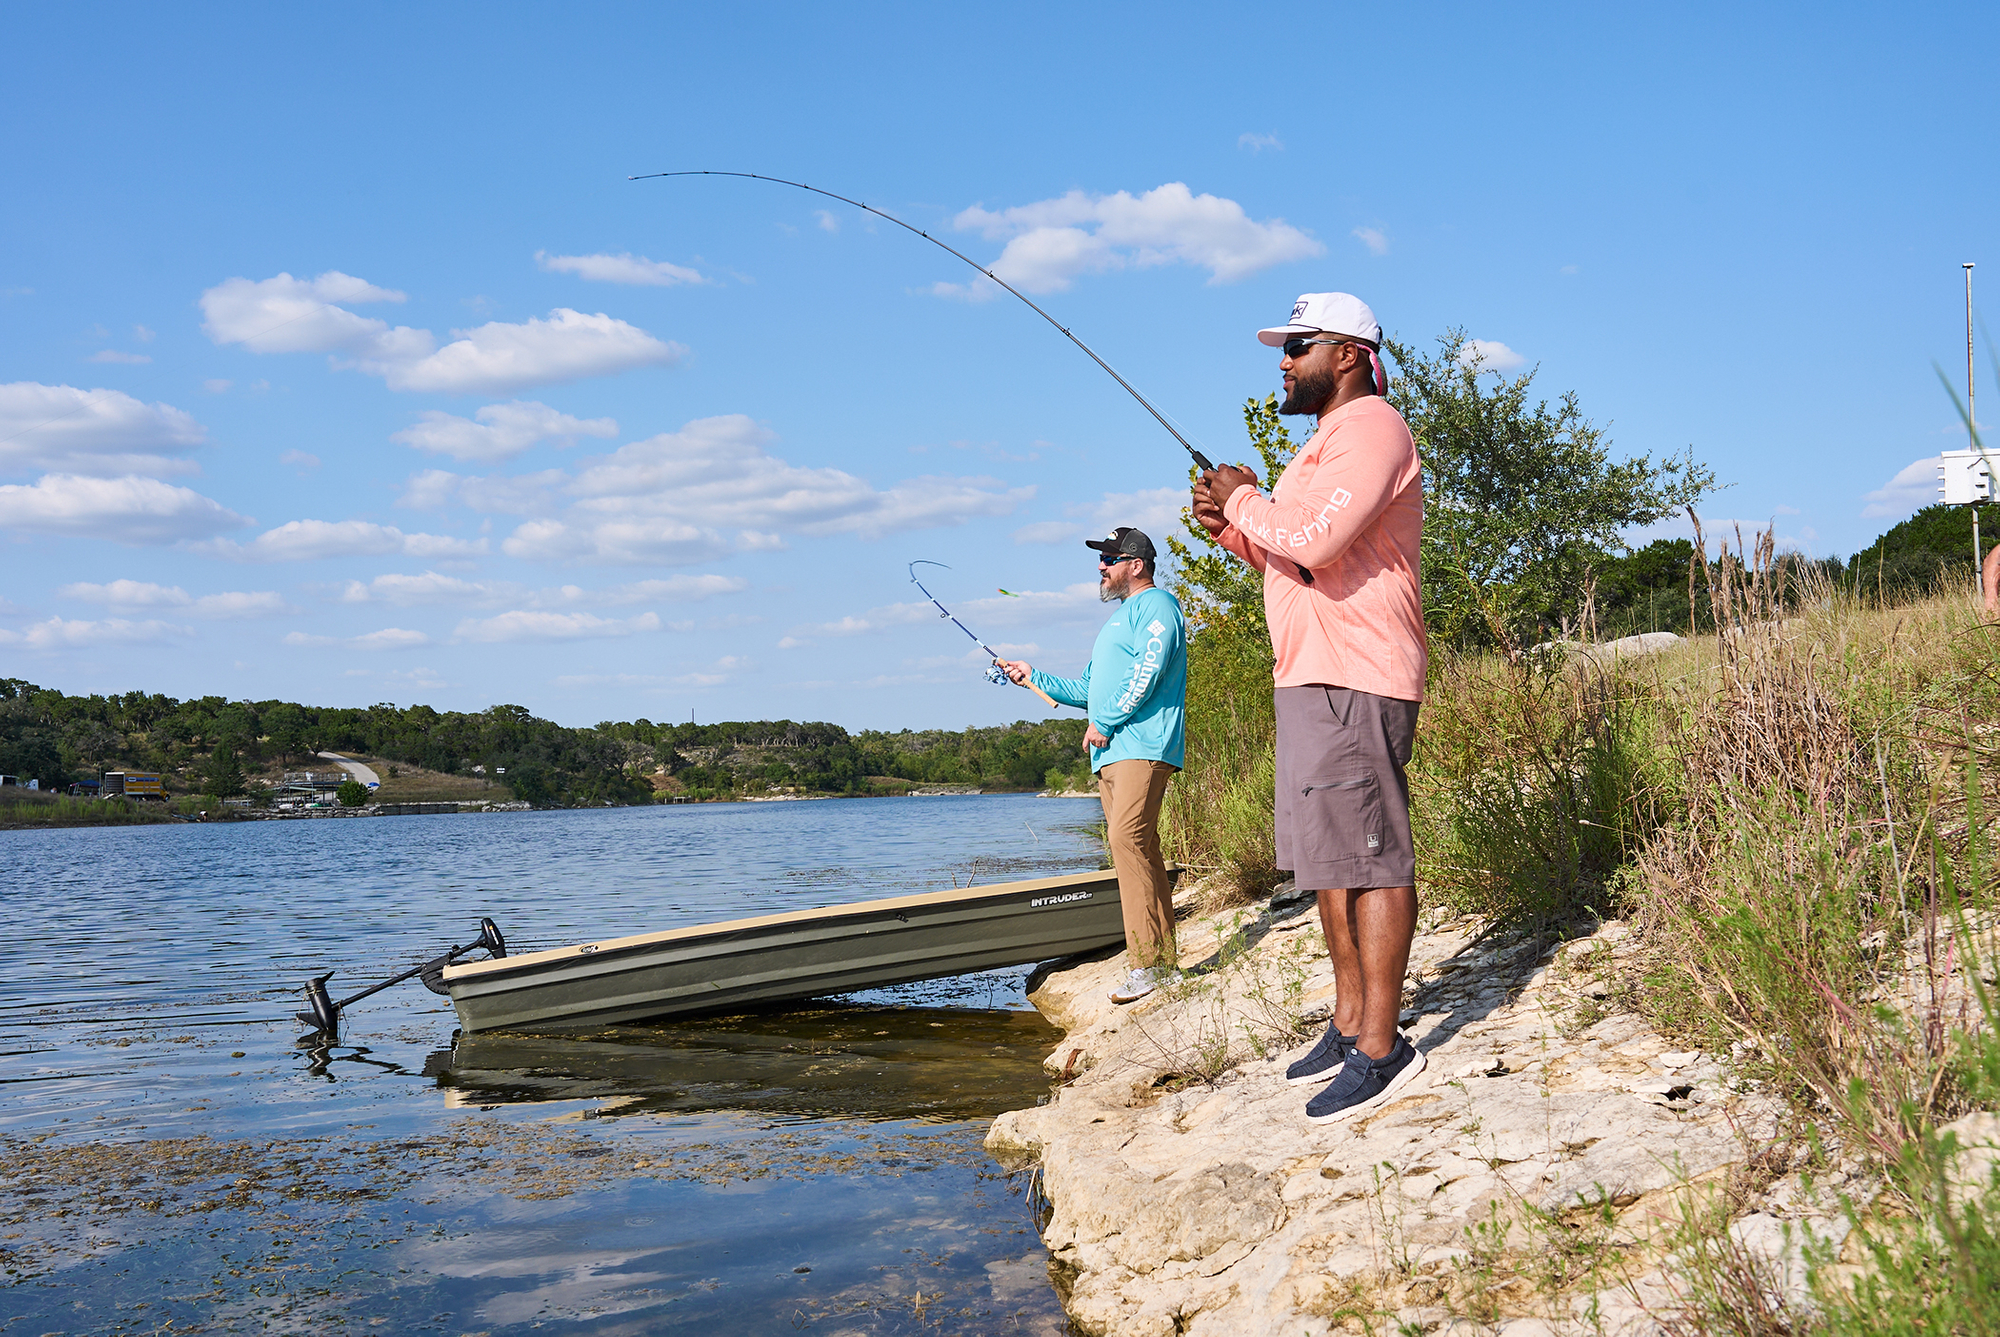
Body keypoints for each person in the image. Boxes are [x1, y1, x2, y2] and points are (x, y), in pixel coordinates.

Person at [1189, 291, 1429, 1124]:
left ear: (1351, 353)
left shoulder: (1373, 430)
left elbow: (1318, 539)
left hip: (1357, 672)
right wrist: (1232, 524)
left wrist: (1248, 498)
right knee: (1331, 860)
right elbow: (1293, 554)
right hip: (1311, 673)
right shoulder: (1321, 447)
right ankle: (1348, 1016)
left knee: (1371, 856)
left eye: (1299, 344)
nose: (1283, 360)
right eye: (1282, 347)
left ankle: (1383, 1044)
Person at [997, 527, 1187, 1003]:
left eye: (1108, 558)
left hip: (1140, 746)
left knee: (1127, 841)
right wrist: (1031, 676)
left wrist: (1106, 720)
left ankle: (1149, 966)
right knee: (1138, 849)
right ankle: (1162, 963)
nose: (1100, 567)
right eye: (1100, 559)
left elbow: (1150, 669)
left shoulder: (1157, 606)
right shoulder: (1117, 622)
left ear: (1136, 564)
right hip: (1113, 753)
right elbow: (1086, 689)